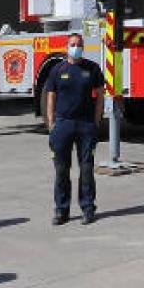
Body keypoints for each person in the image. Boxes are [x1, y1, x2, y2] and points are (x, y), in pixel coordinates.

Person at [42, 31, 106, 225]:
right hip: (63, 125)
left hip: (86, 125)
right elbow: (50, 96)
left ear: (83, 48)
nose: (75, 47)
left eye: (79, 44)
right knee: (61, 169)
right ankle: (61, 210)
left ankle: (88, 208)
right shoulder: (57, 70)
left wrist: (96, 122)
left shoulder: (93, 69)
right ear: (66, 47)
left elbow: (100, 97)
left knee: (86, 169)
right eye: (72, 44)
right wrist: (51, 123)